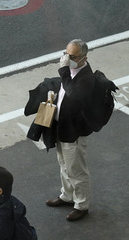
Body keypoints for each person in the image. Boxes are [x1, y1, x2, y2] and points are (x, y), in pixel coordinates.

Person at [44, 39, 97, 221]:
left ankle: (82, 205)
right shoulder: (72, 72)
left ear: (84, 58)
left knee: (77, 170)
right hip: (61, 127)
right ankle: (67, 195)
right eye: (66, 54)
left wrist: (64, 71)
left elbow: (74, 95)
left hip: (74, 131)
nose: (67, 59)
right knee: (63, 165)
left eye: (72, 56)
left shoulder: (87, 78)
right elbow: (65, 92)